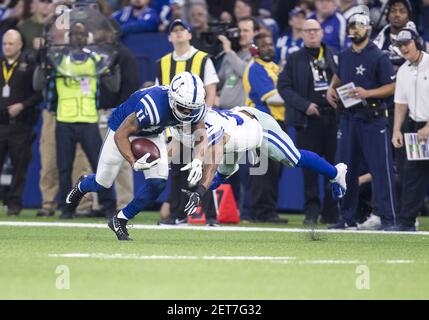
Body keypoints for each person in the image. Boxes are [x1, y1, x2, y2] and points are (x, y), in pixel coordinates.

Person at [66, 72, 208, 240]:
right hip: (121, 127)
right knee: (103, 183)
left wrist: (198, 160)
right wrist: (133, 162)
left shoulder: (195, 108)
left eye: (192, 108)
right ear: (172, 97)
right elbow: (121, 135)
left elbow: (201, 134)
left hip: (153, 132)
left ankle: (120, 219)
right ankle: (83, 185)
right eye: (183, 107)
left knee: (158, 183)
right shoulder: (153, 106)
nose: (187, 113)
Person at [180, 107, 348, 217]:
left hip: (258, 126)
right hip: (236, 132)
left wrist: (200, 192)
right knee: (220, 174)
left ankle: (336, 172)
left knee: (293, 159)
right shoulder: (197, 122)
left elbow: (213, 161)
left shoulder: (215, 133)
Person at [326, 6, 397, 230]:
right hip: (349, 119)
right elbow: (339, 74)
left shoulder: (379, 56)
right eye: (352, 27)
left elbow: (393, 86)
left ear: (367, 28)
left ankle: (388, 219)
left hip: (374, 119)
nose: (355, 30)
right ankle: (347, 217)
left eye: (359, 26)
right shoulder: (345, 55)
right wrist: (331, 88)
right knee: (344, 170)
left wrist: (368, 93)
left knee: (380, 170)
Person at [156, 19, 219, 226]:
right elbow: (162, 98)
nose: (179, 33)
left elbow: (211, 92)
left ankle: (211, 217)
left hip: (200, 124)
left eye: (183, 29)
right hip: (176, 127)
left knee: (205, 166)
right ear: (169, 37)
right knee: (178, 171)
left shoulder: (202, 59)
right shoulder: (163, 62)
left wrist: (205, 121)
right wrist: (165, 131)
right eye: (175, 31)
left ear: (190, 35)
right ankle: (178, 215)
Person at [277, 19, 339, 225]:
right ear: (301, 34)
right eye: (308, 31)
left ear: (322, 33)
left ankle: (331, 212)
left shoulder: (333, 55)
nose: (312, 34)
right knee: (310, 169)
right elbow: (283, 88)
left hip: (332, 118)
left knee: (333, 167)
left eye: (316, 30)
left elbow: (344, 80)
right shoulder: (294, 59)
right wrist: (304, 105)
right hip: (307, 121)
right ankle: (311, 212)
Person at [242, 32, 286, 223]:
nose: (269, 47)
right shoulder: (255, 68)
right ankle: (261, 212)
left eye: (271, 43)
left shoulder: (273, 67)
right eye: (264, 44)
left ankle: (268, 210)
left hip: (275, 124)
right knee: (263, 171)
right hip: (260, 125)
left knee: (274, 171)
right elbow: (273, 97)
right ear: (255, 49)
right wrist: (294, 97)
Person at [390, 22, 429, 231]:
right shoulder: (403, 70)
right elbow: (401, 103)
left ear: (417, 43)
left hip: (427, 127)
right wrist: (397, 129)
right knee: (412, 177)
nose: (404, 48)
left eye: (407, 43)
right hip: (415, 128)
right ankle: (406, 223)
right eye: (400, 45)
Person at [0, 29, 42, 215]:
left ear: (20, 45)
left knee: (20, 166)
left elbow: (39, 93)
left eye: (11, 44)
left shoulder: (31, 65)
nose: (7, 47)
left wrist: (23, 105)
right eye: (4, 43)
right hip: (0, 123)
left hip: (21, 124)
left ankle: (14, 203)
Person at [217, 16, 259, 109]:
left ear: (255, 33)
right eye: (239, 30)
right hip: (222, 111)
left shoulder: (258, 54)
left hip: (243, 114)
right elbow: (219, 82)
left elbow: (247, 72)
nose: (241, 34)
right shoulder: (231, 54)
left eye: (246, 31)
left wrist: (228, 51)